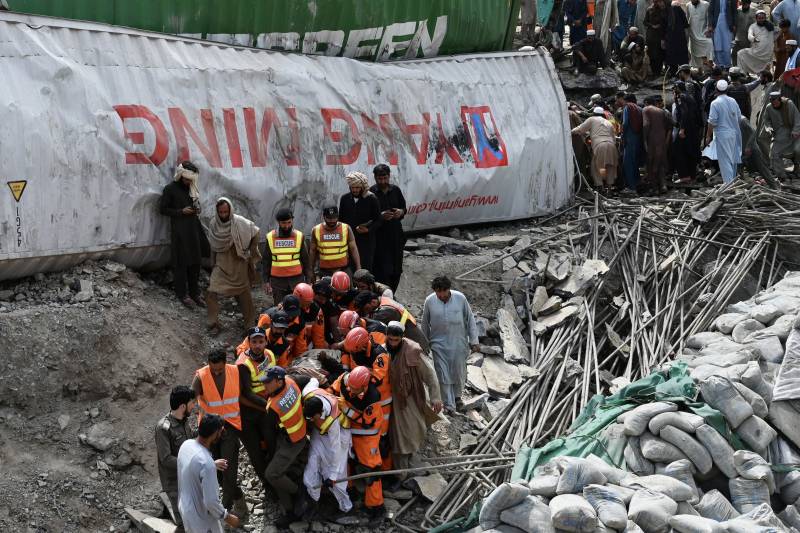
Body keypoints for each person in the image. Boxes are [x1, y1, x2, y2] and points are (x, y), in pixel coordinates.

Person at [384, 321, 443, 487]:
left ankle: (401, 475)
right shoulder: (383, 349)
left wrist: (435, 397)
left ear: (402, 338)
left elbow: (430, 375)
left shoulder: (413, 351)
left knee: (405, 434)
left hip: (409, 399)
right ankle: (401, 471)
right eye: (390, 340)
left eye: (396, 340)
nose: (393, 343)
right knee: (393, 437)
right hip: (388, 399)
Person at [191, 350, 248, 519]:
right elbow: (191, 397)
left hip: (229, 428)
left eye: (219, 370)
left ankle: (224, 511)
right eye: (212, 369)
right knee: (214, 472)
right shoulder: (201, 376)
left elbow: (245, 395)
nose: (215, 372)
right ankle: (238, 498)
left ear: (225, 363)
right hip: (209, 431)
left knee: (228, 473)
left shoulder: (235, 371)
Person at [329, 366, 386, 521]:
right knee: (346, 462)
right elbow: (331, 391)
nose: (351, 391)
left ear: (365, 385)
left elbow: (365, 422)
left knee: (371, 470)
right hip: (347, 431)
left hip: (367, 437)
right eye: (350, 388)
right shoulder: (344, 380)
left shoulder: (373, 396)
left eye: (355, 389)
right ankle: (349, 491)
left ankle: (376, 506)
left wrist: (345, 409)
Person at [421, 276, 479, 413]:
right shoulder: (429, 301)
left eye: (443, 292)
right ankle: (449, 405)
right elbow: (425, 324)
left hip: (458, 341)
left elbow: (470, 318)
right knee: (442, 373)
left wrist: (474, 340)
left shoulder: (460, 298)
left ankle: (457, 397)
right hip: (438, 343)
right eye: (437, 292)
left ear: (449, 289)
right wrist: (424, 343)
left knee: (458, 371)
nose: (441, 295)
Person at [261, 366, 309, 527]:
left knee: (272, 474)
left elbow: (269, 432)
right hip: (301, 431)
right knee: (278, 473)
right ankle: (289, 509)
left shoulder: (273, 406)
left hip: (293, 440)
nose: (264, 386)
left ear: (278, 381)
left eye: (268, 382)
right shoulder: (291, 381)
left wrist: (272, 452)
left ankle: (298, 492)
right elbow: (308, 380)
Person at [177, 414, 241, 533]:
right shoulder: (206, 464)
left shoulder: (186, 445)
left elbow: (190, 468)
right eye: (220, 431)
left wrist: (212, 464)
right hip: (201, 520)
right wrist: (227, 517)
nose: (222, 433)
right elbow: (211, 502)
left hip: (185, 508)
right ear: (214, 434)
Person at [205, 198, 261, 336]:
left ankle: (249, 325)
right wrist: (212, 263)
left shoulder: (239, 222)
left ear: (230, 210)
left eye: (226, 211)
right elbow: (213, 244)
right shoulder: (214, 224)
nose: (223, 215)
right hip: (221, 263)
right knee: (211, 291)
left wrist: (250, 251)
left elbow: (255, 231)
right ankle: (213, 323)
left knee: (244, 293)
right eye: (221, 212)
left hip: (238, 262)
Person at [301, 378, 353, 519]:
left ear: (320, 412)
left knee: (337, 477)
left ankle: (346, 507)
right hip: (320, 432)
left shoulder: (333, 419)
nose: (310, 420)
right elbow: (313, 379)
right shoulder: (308, 393)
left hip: (340, 435)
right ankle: (314, 501)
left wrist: (333, 476)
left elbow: (335, 449)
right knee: (312, 462)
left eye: (312, 417)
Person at [159, 161, 209, 308]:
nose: (188, 182)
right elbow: (163, 209)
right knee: (181, 264)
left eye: (191, 179)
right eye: (186, 179)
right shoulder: (170, 189)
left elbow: (195, 205)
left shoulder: (192, 188)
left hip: (193, 229)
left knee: (195, 263)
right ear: (181, 175)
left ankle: (195, 293)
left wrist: (195, 210)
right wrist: (181, 212)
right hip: (180, 231)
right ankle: (182, 294)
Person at [234, 327, 277, 496]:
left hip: (266, 405)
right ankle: (266, 483)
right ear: (249, 343)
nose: (258, 345)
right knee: (254, 450)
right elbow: (247, 393)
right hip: (249, 410)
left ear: (265, 342)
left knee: (271, 440)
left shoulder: (270, 355)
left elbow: (276, 377)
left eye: (261, 341)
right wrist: (267, 404)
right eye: (254, 342)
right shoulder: (243, 364)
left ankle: (274, 474)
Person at [155, 385, 196, 529]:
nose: (194, 406)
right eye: (192, 403)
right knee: (184, 521)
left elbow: (190, 440)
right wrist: (191, 463)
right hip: (175, 483)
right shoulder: (163, 428)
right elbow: (166, 459)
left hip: (188, 478)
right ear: (183, 406)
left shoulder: (183, 421)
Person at [263, 208, 312, 306]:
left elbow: (306, 261)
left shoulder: (299, 236)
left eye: (289, 222)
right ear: (278, 222)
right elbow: (266, 261)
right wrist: (266, 281)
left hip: (297, 281)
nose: (287, 226)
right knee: (280, 309)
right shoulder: (270, 237)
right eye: (283, 223)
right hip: (278, 283)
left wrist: (309, 281)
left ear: (292, 220)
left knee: (298, 308)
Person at [369, 164, 407, 293]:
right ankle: (384, 296)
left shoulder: (395, 190)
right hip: (380, 237)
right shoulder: (371, 193)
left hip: (396, 236)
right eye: (380, 179)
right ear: (375, 178)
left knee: (397, 269)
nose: (383, 181)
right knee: (382, 269)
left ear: (389, 176)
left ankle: (392, 294)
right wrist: (380, 216)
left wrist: (400, 212)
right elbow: (367, 215)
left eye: (385, 178)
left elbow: (404, 208)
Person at [339, 172, 382, 272]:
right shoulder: (345, 199)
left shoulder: (371, 198)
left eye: (357, 187)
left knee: (364, 270)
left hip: (365, 242)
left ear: (362, 186)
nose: (355, 190)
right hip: (348, 242)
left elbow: (378, 220)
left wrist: (368, 229)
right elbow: (341, 220)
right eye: (352, 187)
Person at [571, 107, 620, 194]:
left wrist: (572, 131)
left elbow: (580, 129)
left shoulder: (592, 119)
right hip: (611, 145)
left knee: (597, 167)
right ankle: (609, 189)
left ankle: (600, 187)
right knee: (610, 167)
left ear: (593, 113)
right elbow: (614, 137)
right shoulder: (608, 122)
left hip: (600, 145)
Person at [704, 79, 743, 183]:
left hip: (722, 135)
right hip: (734, 134)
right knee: (733, 159)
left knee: (725, 161)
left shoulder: (715, 103)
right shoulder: (733, 101)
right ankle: (733, 183)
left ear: (716, 89)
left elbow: (712, 121)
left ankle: (728, 185)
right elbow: (739, 118)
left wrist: (708, 136)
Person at [310, 205, 361, 280]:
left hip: (344, 270)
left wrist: (358, 267)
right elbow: (312, 251)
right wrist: (311, 270)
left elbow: (353, 248)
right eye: (329, 218)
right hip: (324, 272)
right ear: (324, 217)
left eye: (334, 217)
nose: (332, 221)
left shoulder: (346, 228)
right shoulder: (316, 230)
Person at [764, 91, 800, 179]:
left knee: (797, 150)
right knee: (774, 152)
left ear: (780, 100)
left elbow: (797, 118)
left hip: (793, 133)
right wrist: (768, 128)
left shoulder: (789, 104)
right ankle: (780, 175)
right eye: (772, 103)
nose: (774, 105)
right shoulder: (769, 107)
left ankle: (797, 169)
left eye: (776, 102)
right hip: (779, 135)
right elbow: (766, 120)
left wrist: (795, 130)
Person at [672, 82, 703, 184]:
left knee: (677, 150)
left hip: (686, 128)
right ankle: (692, 175)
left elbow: (685, 112)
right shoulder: (689, 96)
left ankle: (684, 175)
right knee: (690, 150)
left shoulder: (681, 97)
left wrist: (682, 129)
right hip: (693, 128)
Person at [642, 96, 674, 193]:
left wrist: (644, 139)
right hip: (662, 139)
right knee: (660, 163)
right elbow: (671, 124)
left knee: (651, 163)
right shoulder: (662, 111)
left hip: (652, 139)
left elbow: (646, 124)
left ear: (646, 102)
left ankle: (654, 188)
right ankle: (663, 186)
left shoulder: (646, 109)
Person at [740, 115, 779, 187]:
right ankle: (742, 188)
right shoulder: (732, 121)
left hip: (752, 149)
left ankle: (774, 187)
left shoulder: (742, 120)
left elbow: (753, 133)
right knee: (739, 169)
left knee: (763, 169)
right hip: (742, 151)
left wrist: (748, 146)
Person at [736, 11, 775, 76]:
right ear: (756, 19)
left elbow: (778, 32)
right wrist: (753, 39)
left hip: (767, 54)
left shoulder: (770, 26)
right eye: (759, 18)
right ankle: (743, 74)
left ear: (765, 18)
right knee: (740, 53)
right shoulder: (753, 26)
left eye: (763, 18)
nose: (761, 20)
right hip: (756, 52)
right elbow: (749, 35)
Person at [620, 94, 643, 194]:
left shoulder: (627, 107)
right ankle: (637, 183)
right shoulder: (639, 108)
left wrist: (622, 136)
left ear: (626, 101)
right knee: (634, 162)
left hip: (629, 136)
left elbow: (625, 123)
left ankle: (631, 187)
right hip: (638, 138)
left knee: (627, 163)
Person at [664, 1, 690, 76]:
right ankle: (684, 73)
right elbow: (686, 25)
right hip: (679, 38)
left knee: (673, 58)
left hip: (672, 39)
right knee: (681, 57)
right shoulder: (678, 11)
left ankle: (674, 74)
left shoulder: (668, 12)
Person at [708, 0, 737, 68]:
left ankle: (727, 65)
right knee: (718, 43)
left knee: (726, 44)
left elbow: (735, 12)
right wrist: (710, 25)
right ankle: (719, 64)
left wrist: (735, 24)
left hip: (728, 23)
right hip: (716, 23)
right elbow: (710, 12)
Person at [687, 0, 713, 69]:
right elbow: (687, 19)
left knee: (709, 44)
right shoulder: (688, 5)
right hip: (693, 33)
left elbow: (709, 18)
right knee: (694, 51)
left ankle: (709, 66)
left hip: (703, 32)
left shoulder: (706, 4)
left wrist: (708, 28)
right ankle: (698, 69)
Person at [644, 0, 667, 76]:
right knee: (651, 54)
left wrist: (660, 25)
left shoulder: (663, 9)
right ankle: (653, 72)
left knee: (659, 54)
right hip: (651, 36)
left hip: (660, 35)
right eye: (655, 1)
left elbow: (665, 21)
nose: (656, 3)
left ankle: (658, 71)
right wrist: (652, 25)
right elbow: (645, 22)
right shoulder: (649, 9)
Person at [733, 0, 756, 65]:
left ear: (749, 3)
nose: (745, 6)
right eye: (743, 4)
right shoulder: (738, 10)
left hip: (749, 37)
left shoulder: (754, 10)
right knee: (735, 54)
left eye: (746, 4)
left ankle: (746, 70)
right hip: (739, 37)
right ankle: (735, 68)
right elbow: (735, 24)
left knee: (747, 56)